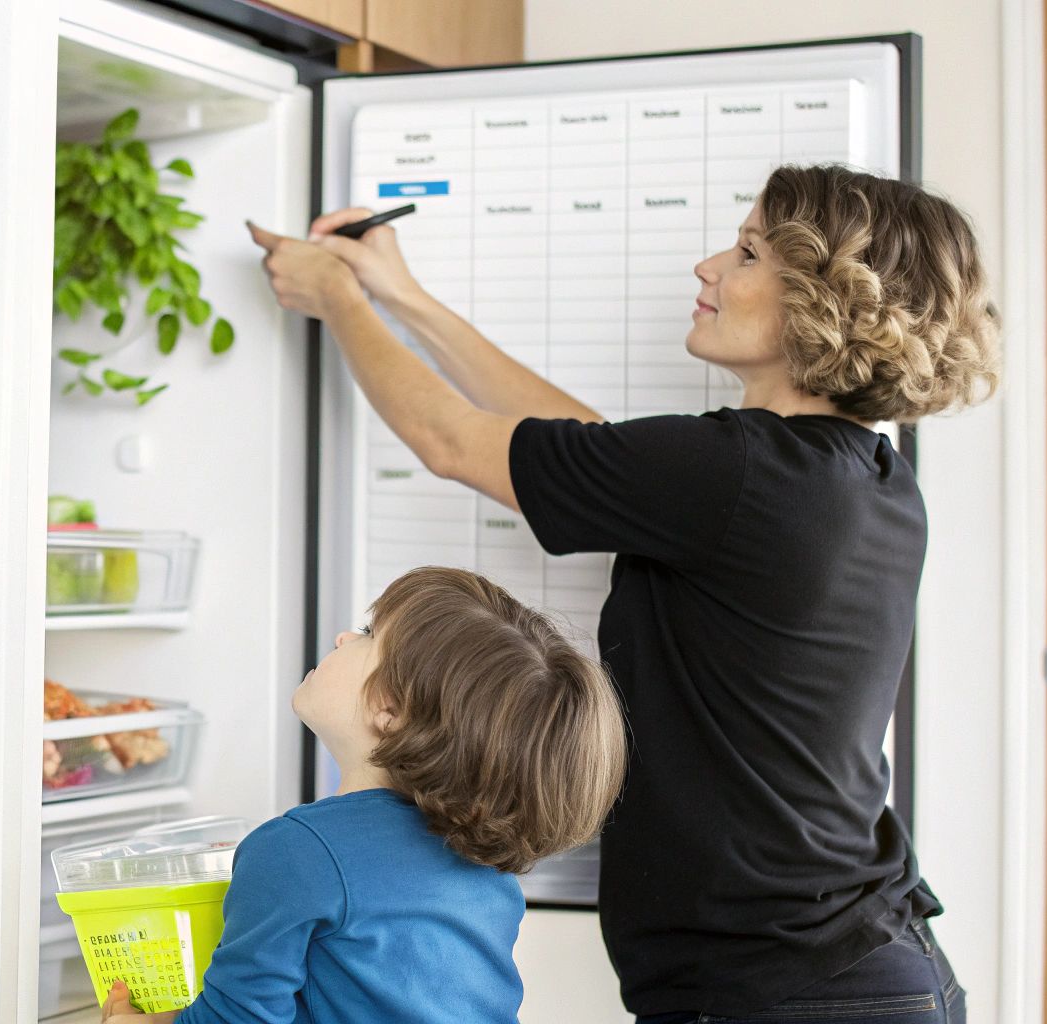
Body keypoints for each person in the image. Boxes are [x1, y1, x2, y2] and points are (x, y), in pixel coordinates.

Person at [244, 164, 1000, 1023]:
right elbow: (585, 451)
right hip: (874, 965)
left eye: (748, 252)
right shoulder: (865, 477)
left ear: (822, 303)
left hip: (785, 988)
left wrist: (338, 296)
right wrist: (403, 297)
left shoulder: (734, 475)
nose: (709, 267)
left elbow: (452, 441)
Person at [99, 566, 626, 1023]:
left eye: (370, 634)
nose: (342, 638)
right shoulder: (487, 871)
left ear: (391, 711)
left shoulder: (297, 851)